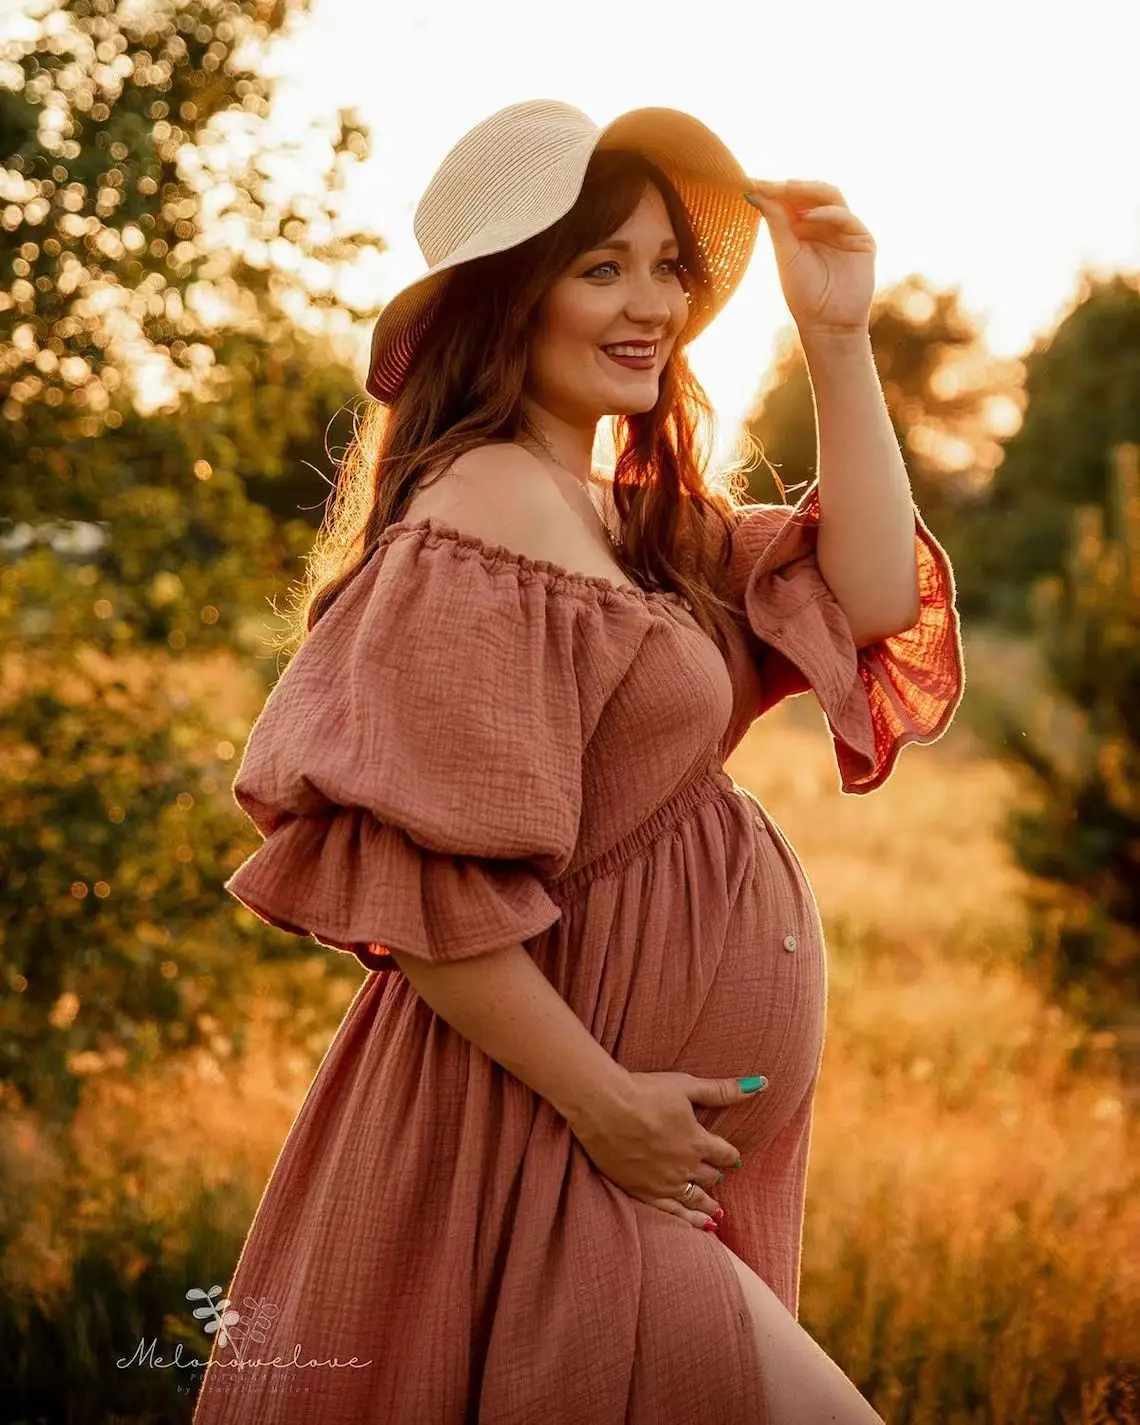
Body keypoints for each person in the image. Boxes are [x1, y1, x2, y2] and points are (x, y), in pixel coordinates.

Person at [191, 99, 964, 1424]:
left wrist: (837, 335)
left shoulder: (638, 522)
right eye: (600, 264)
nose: (652, 302)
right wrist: (606, 1105)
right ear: (508, 297)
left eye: (669, 266)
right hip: (545, 1133)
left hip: (619, 1147)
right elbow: (418, 887)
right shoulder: (481, 505)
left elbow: (877, 590)